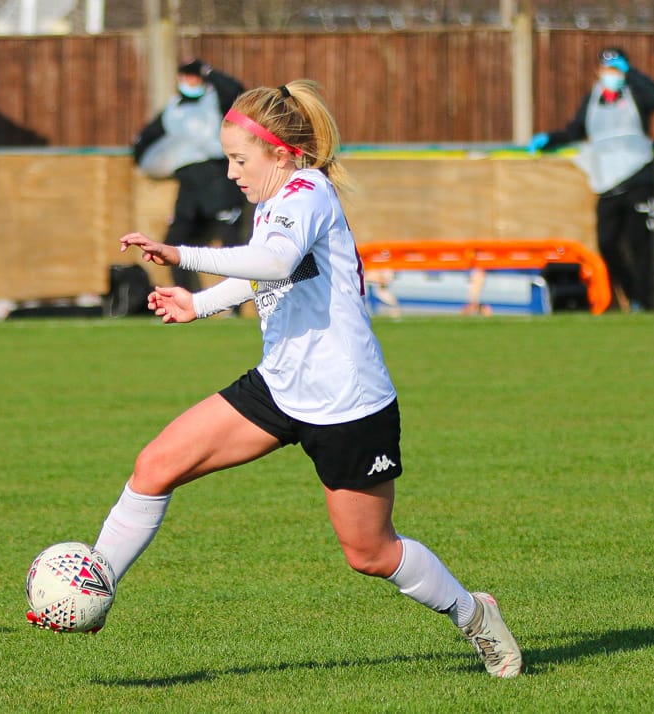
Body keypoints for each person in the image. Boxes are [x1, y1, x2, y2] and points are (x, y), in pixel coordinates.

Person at [36, 80, 523, 679]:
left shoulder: (307, 191)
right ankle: (96, 583)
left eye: (241, 159)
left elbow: (273, 262)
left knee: (370, 553)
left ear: (282, 153)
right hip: (279, 387)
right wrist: (200, 304)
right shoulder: (274, 201)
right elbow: (269, 271)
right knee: (155, 465)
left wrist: (180, 254)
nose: (232, 172)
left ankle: (475, 615)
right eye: (228, 159)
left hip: (348, 403)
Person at [528, 47, 654, 312]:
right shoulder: (593, 100)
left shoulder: (635, 94)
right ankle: (631, 295)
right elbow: (576, 130)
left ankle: (645, 305)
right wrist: (550, 139)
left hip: (639, 178)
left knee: (641, 248)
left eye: (615, 69)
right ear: (598, 71)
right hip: (608, 184)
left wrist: (632, 74)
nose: (610, 75)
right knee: (607, 243)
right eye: (607, 69)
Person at [133, 58, 250, 293]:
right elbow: (145, 141)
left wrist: (210, 72)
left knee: (231, 244)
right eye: (186, 76)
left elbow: (238, 92)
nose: (190, 81)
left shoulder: (217, 100)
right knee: (174, 241)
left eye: (195, 76)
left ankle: (237, 305)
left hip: (218, 181)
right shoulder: (173, 109)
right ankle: (185, 296)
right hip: (189, 186)